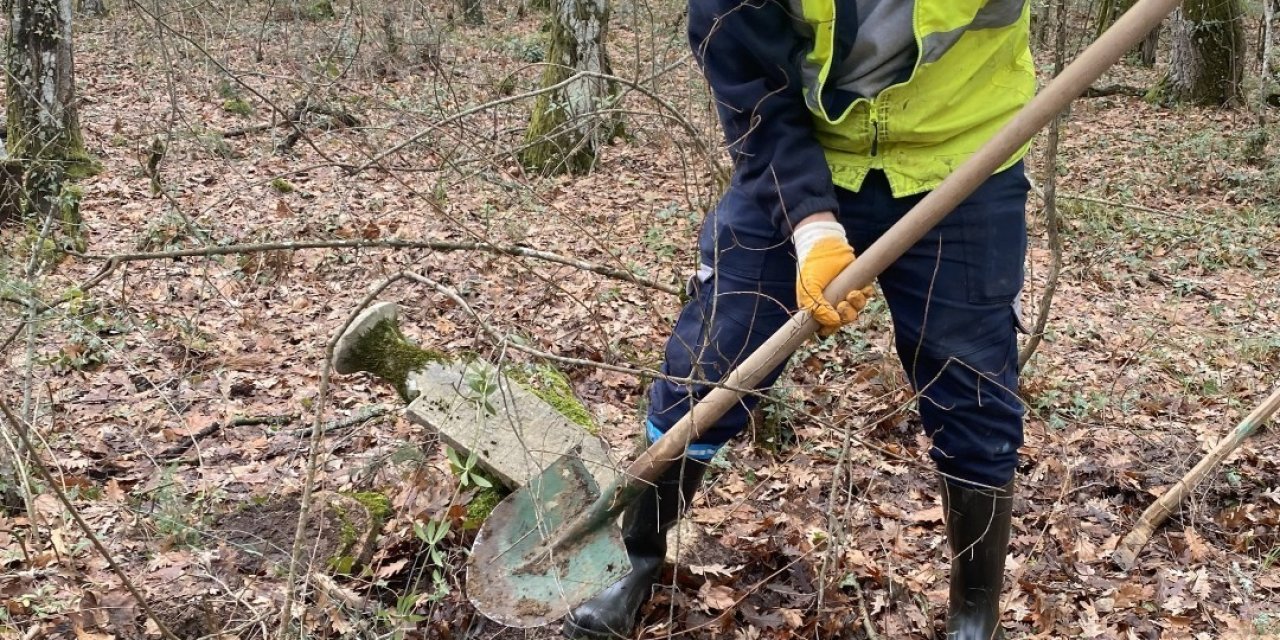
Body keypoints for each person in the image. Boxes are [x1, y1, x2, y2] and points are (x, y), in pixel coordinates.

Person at [564, 1, 1035, 638]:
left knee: (975, 391)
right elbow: (749, 82)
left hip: (966, 157)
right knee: (711, 360)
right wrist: (812, 228)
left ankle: (973, 618)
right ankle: (636, 560)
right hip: (803, 149)